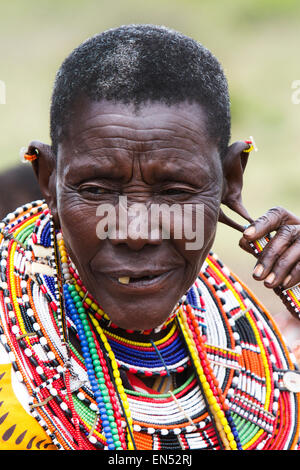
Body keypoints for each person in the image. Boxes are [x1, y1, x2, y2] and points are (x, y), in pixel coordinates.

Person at [0, 24, 300, 451]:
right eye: (97, 190)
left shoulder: (259, 348)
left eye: (176, 191)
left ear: (231, 180)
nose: (135, 232)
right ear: (48, 180)